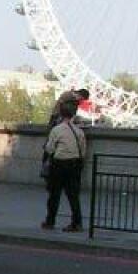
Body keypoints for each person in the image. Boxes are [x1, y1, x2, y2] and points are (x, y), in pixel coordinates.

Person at [41, 95, 87, 231]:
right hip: (74, 165)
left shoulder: (57, 130)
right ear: (73, 114)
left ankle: (50, 221)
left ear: (61, 114)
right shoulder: (79, 131)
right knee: (73, 196)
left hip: (59, 165)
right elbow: (83, 151)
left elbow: (49, 149)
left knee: (54, 195)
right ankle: (77, 223)